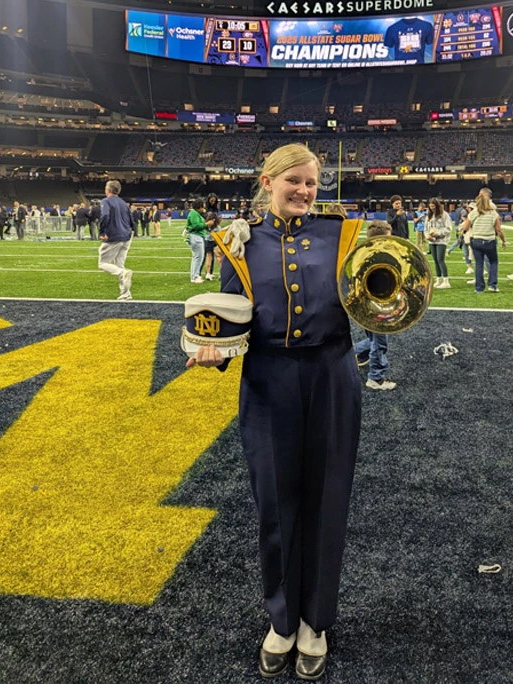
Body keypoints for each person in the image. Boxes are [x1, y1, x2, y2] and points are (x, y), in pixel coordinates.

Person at [188, 143, 363, 681]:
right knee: (277, 505)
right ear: (268, 181)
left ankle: (317, 622)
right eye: (296, 182)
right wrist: (213, 352)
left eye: (312, 184)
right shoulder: (238, 243)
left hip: (333, 378)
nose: (306, 192)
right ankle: (283, 622)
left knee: (326, 500)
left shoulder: (344, 235)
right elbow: (227, 321)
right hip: (267, 383)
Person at [354, 220, 396, 390]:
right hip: (374, 306)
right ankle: (375, 378)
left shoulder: (364, 253)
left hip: (367, 306)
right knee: (380, 342)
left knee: (373, 338)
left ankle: (354, 353)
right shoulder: (377, 257)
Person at [462, 187, 506, 293]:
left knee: (479, 264)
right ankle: (492, 285)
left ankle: (479, 288)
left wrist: (463, 234)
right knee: (494, 262)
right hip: (489, 241)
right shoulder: (493, 213)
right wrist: (503, 241)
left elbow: (465, 227)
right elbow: (499, 229)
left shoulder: (474, 212)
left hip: (476, 240)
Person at [98, 180, 134, 301]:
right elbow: (131, 219)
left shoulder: (106, 201)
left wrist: (102, 232)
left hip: (114, 235)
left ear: (108, 190)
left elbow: (105, 215)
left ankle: (121, 274)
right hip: (126, 236)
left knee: (103, 263)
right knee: (120, 264)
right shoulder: (124, 203)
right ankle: (125, 293)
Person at [425, 197, 452, 288]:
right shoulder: (429, 215)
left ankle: (446, 281)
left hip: (442, 240)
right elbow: (426, 228)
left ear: (437, 206)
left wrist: (438, 233)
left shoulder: (445, 215)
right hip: (432, 241)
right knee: (436, 260)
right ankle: (439, 279)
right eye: (430, 206)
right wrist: (427, 236)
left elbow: (448, 228)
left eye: (433, 206)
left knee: (440, 260)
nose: (432, 208)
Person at [185, 197, 210, 284]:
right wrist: (206, 224)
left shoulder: (195, 213)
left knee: (197, 257)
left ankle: (195, 275)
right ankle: (195, 276)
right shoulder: (194, 213)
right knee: (198, 257)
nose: (204, 208)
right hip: (196, 237)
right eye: (203, 206)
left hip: (197, 237)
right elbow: (196, 226)